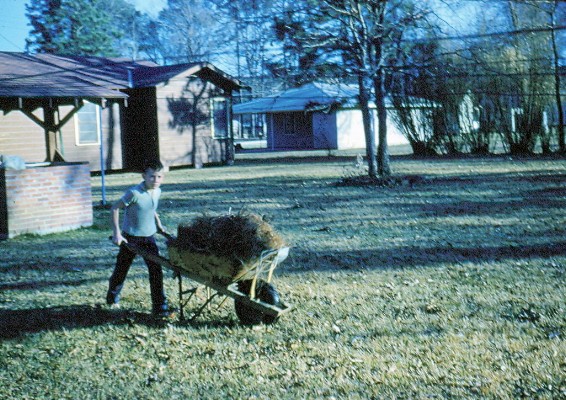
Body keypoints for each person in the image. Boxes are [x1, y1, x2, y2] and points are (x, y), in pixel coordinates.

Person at [106, 159, 172, 317]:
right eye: (152, 176)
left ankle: (159, 306)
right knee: (121, 269)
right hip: (131, 239)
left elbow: (151, 209)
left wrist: (158, 224)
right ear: (144, 176)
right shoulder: (134, 193)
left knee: (156, 270)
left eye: (159, 177)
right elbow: (115, 208)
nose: (155, 180)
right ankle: (112, 298)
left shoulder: (157, 191)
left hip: (149, 238)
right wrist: (117, 233)